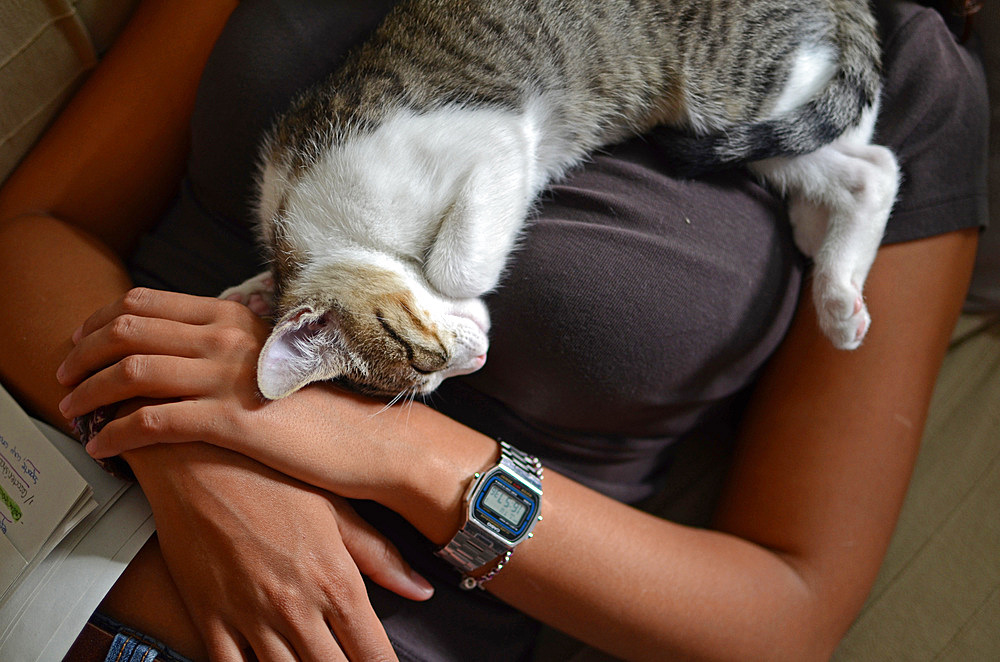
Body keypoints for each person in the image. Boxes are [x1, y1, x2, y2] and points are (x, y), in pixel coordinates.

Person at [0, 0, 988, 660]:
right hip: (41, 537)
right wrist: (192, 450)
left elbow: (787, 605)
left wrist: (389, 448)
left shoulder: (896, 81)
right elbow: (35, 230)